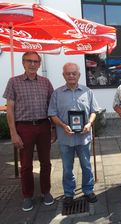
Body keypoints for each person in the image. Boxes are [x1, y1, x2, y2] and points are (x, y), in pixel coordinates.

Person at [3, 51, 55, 211]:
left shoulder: (46, 82)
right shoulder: (14, 82)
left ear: (39, 64)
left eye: (35, 61)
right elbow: (9, 109)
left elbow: (52, 107)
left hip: (44, 126)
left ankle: (46, 191)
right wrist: (13, 132)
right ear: (23, 63)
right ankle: (27, 195)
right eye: (29, 61)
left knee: (46, 162)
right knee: (25, 165)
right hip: (24, 127)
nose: (32, 64)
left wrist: (53, 128)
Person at [48, 62, 99, 207]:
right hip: (66, 138)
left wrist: (89, 123)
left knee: (86, 166)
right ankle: (69, 193)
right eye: (68, 73)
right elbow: (52, 114)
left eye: (74, 73)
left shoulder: (87, 91)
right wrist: (63, 126)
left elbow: (94, 111)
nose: (71, 76)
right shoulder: (57, 94)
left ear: (79, 75)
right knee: (67, 168)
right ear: (63, 75)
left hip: (83, 138)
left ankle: (88, 191)